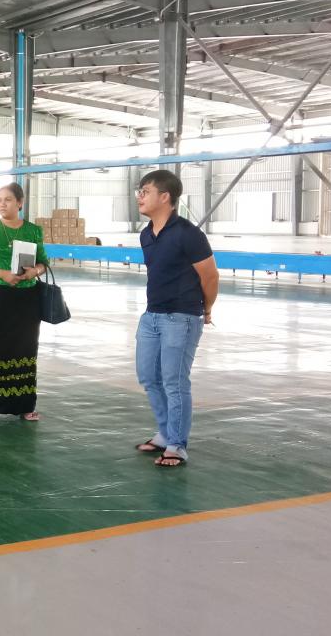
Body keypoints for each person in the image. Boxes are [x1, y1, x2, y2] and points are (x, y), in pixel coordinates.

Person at [133, 170, 219, 468]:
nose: (140, 197)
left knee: (174, 381)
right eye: (139, 192)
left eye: (145, 191)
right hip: (152, 316)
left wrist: (206, 309)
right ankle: (165, 433)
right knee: (149, 377)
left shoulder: (188, 234)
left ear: (164, 196)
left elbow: (210, 276)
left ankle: (177, 445)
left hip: (181, 317)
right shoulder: (146, 234)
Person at [0, 182, 49, 422]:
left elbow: (43, 263)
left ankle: (25, 404)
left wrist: (33, 272)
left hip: (26, 299)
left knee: (25, 347)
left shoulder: (33, 231)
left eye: (7, 200)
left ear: (20, 203)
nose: (2, 204)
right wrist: (2, 274)